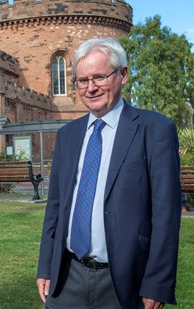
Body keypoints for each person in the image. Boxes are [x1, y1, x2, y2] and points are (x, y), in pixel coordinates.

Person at [36, 38, 181, 308]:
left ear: (122, 74)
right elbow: (54, 208)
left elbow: (166, 214)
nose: (90, 88)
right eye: (82, 80)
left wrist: (158, 282)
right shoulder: (67, 135)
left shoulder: (155, 130)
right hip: (67, 276)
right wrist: (46, 266)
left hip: (125, 280)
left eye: (99, 77)